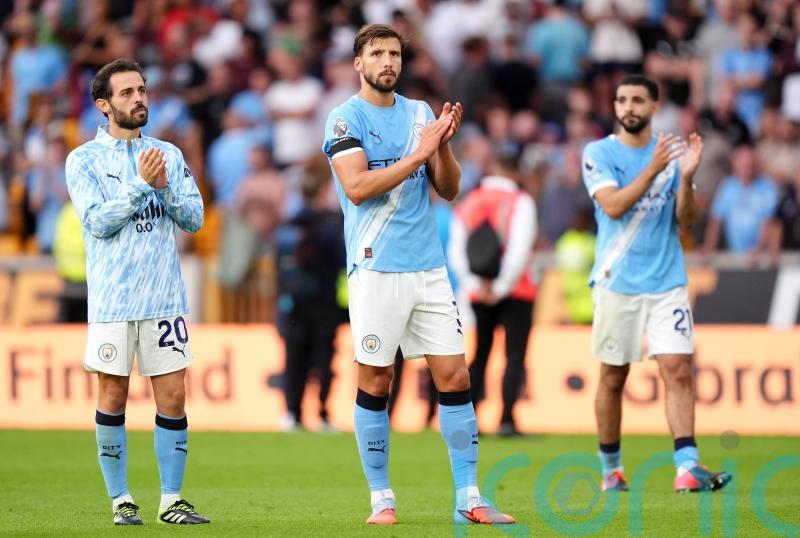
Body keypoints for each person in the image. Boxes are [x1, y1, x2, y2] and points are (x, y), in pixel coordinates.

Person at [322, 24, 515, 526]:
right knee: (378, 378)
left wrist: (442, 146)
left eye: (394, 54)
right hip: (375, 266)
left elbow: (448, 189)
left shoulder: (420, 114)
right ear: (358, 64)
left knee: (455, 375)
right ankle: (381, 499)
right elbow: (359, 186)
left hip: (428, 267)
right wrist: (419, 152)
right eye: (377, 54)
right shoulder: (345, 120)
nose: (388, 61)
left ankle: (470, 496)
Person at [65, 59, 209, 526]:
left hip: (164, 299)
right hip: (112, 302)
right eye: (126, 92)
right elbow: (98, 223)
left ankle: (172, 500)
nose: (139, 98)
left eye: (143, 89)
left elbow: (194, 218)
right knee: (113, 395)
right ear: (103, 105)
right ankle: (121, 501)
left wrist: (163, 188)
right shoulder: (83, 160)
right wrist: (140, 184)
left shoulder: (168, 152)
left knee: (173, 398)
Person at [581, 74, 732, 494]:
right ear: (615, 107)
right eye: (622, 100)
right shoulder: (599, 152)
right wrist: (656, 167)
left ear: (653, 106)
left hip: (667, 282)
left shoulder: (674, 155)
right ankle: (611, 467)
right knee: (613, 376)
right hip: (617, 281)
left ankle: (687, 466)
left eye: (637, 100)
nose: (628, 107)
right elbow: (612, 206)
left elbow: (686, 221)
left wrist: (684, 179)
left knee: (678, 370)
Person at [449, 148, 537, 437]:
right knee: (514, 355)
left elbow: (457, 251)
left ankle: (470, 420)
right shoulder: (520, 201)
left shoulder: (470, 201)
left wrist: (476, 285)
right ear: (514, 172)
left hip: (477, 292)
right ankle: (507, 419)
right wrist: (501, 287)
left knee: (481, 353)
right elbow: (519, 250)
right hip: (517, 290)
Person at [276, 173, 345, 432]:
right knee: (324, 359)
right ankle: (323, 414)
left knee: (295, 359)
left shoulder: (291, 223)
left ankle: (293, 413)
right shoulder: (330, 224)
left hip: (294, 302)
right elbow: (342, 258)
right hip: (325, 301)